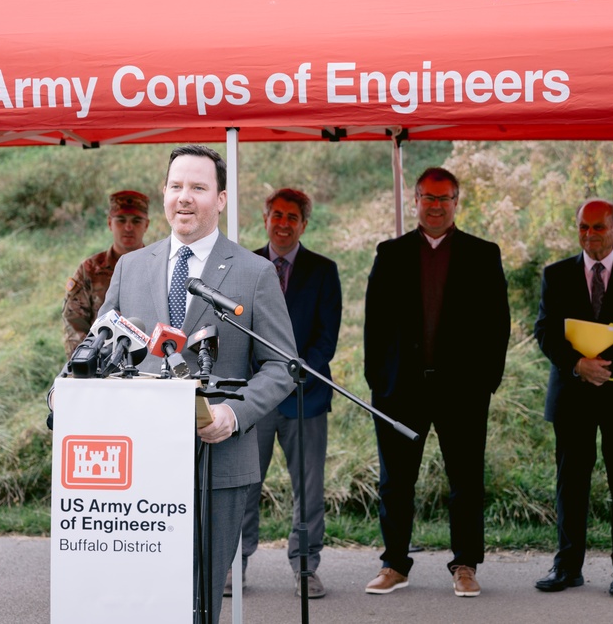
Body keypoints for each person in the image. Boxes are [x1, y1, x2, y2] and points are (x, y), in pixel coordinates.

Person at [98, 144, 297, 624]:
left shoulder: (254, 272)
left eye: (198, 188)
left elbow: (283, 366)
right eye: (175, 186)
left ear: (222, 199)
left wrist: (234, 413)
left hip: (219, 465)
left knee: (199, 597)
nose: (183, 198)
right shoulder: (131, 267)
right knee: (142, 595)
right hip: (140, 461)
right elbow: (102, 349)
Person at [363, 167, 510, 598]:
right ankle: (394, 564)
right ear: (416, 200)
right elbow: (374, 325)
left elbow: (497, 325)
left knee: (465, 480)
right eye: (428, 197)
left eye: (444, 199)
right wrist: (378, 381)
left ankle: (465, 564)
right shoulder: (390, 254)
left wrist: (487, 382)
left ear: (456, 203)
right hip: (398, 390)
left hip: (462, 391)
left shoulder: (483, 254)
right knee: (395, 481)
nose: (435, 206)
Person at [533, 198, 613, 598]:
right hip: (573, 394)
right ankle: (567, 566)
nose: (590, 234)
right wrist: (577, 365)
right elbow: (545, 330)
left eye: (599, 227)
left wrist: (604, 364)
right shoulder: (556, 274)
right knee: (570, 482)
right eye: (583, 228)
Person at [230, 188, 342, 599]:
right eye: (276, 215)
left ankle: (306, 566)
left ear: (303, 224)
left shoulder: (323, 271)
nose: (283, 223)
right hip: (253, 400)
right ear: (265, 219)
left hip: (304, 396)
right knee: (243, 484)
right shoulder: (244, 265)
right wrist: (259, 383)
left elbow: (325, 339)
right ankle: (234, 564)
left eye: (292, 217)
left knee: (308, 487)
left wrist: (292, 376)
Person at [61, 190, 150, 358]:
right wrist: (85, 360)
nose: (128, 228)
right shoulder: (89, 270)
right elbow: (73, 322)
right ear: (110, 223)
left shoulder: (158, 266)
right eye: (121, 220)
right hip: (99, 365)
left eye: (136, 221)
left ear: (146, 225)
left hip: (148, 364)